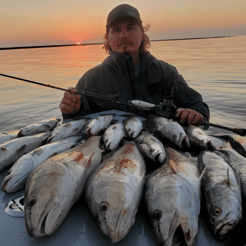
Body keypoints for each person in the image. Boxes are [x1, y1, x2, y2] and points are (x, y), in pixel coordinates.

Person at [60, 4, 209, 126]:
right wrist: (71, 111)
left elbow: (198, 107)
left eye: (130, 28)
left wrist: (196, 115)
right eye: (117, 30)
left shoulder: (166, 72)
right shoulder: (91, 79)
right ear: (108, 38)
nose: (123, 35)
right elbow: (75, 124)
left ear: (142, 33)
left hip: (159, 152)